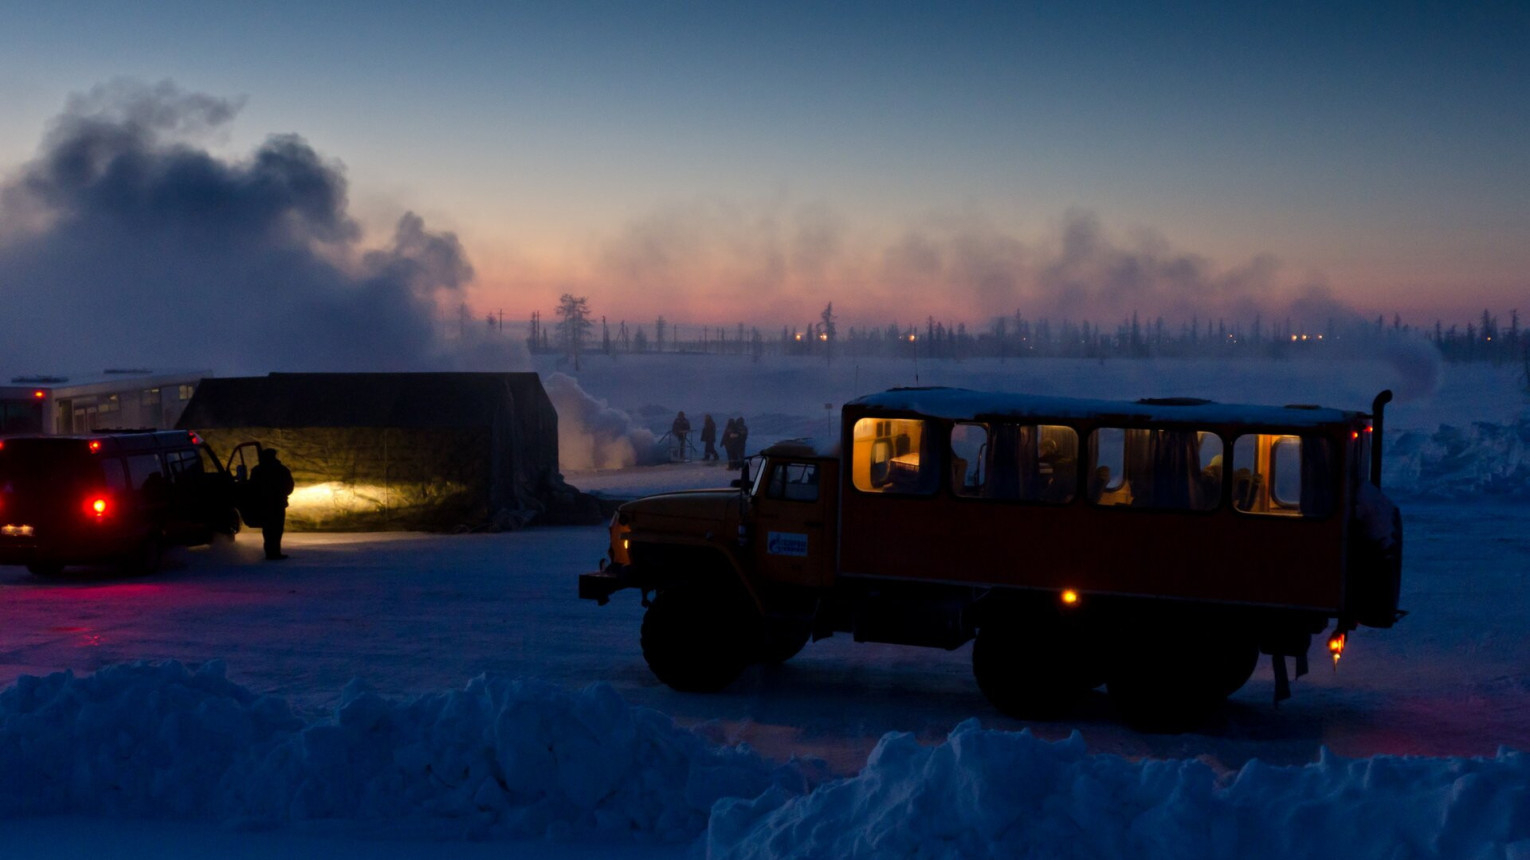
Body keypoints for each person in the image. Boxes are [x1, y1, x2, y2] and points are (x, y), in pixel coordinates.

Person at [249, 447, 294, 560]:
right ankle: (275, 552)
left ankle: (270, 553)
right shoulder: (281, 469)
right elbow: (289, 486)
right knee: (277, 529)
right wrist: (282, 494)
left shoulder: (257, 470)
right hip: (278, 504)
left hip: (263, 504)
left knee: (268, 530)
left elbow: (252, 487)